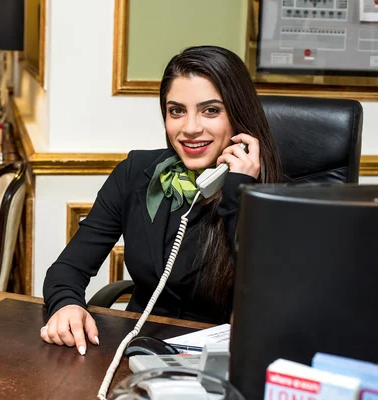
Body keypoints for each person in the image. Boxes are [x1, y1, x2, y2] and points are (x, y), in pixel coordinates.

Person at [40, 45, 283, 355]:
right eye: (176, 111)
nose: (190, 128)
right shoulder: (135, 173)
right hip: (136, 350)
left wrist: (238, 192)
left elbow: (269, 305)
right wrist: (66, 305)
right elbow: (67, 268)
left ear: (238, 115)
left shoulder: (274, 197)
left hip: (221, 365)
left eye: (211, 110)